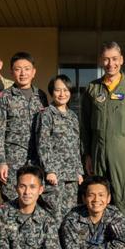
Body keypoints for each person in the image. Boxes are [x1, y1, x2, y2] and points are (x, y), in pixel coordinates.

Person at [80, 41, 125, 223]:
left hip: (124, 152)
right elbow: (84, 125)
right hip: (98, 151)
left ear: (122, 59)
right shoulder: (92, 89)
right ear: (100, 61)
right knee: (98, 197)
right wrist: (87, 154)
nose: (111, 63)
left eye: (114, 59)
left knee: (123, 197)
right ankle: (100, 240)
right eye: (106, 59)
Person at [0, 51, 49, 202]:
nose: (23, 73)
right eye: (18, 69)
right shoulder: (4, 97)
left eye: (27, 68)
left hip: (37, 158)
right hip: (12, 159)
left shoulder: (41, 96)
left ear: (33, 72)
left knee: (36, 201)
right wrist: (1, 162)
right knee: (12, 201)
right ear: (11, 72)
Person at [36, 74, 84, 221]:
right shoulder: (46, 114)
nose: (62, 94)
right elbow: (43, 144)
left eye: (66, 90)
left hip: (71, 176)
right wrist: (49, 170)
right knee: (54, 216)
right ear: (52, 92)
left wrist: (79, 171)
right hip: (55, 176)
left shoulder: (73, 116)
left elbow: (76, 146)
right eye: (58, 90)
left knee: (70, 216)